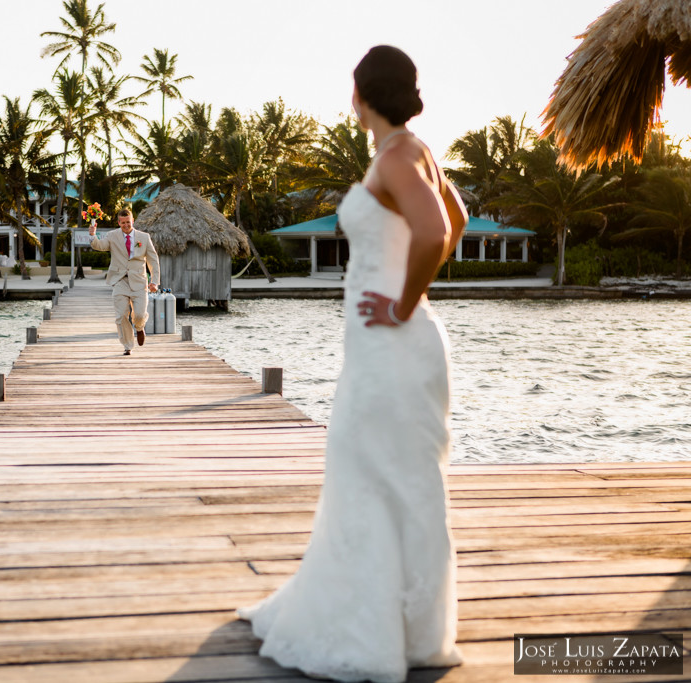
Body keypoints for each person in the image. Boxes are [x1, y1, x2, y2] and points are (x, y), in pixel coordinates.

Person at [237, 45, 468, 683]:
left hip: (391, 342)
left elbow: (431, 230)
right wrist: (406, 300)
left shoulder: (395, 157)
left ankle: (371, 629)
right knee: (399, 478)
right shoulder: (419, 151)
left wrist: (400, 302)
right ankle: (415, 631)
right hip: (398, 345)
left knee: (370, 472)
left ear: (362, 97)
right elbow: (459, 218)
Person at [88, 208, 160, 356]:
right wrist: (92, 235)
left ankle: (139, 328)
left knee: (139, 315)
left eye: (128, 222)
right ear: (119, 222)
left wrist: (155, 281)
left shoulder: (144, 237)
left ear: (132, 221)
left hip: (139, 281)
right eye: (123, 223)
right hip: (120, 280)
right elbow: (99, 246)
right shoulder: (112, 236)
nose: (126, 225)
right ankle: (127, 345)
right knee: (121, 315)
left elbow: (153, 260)